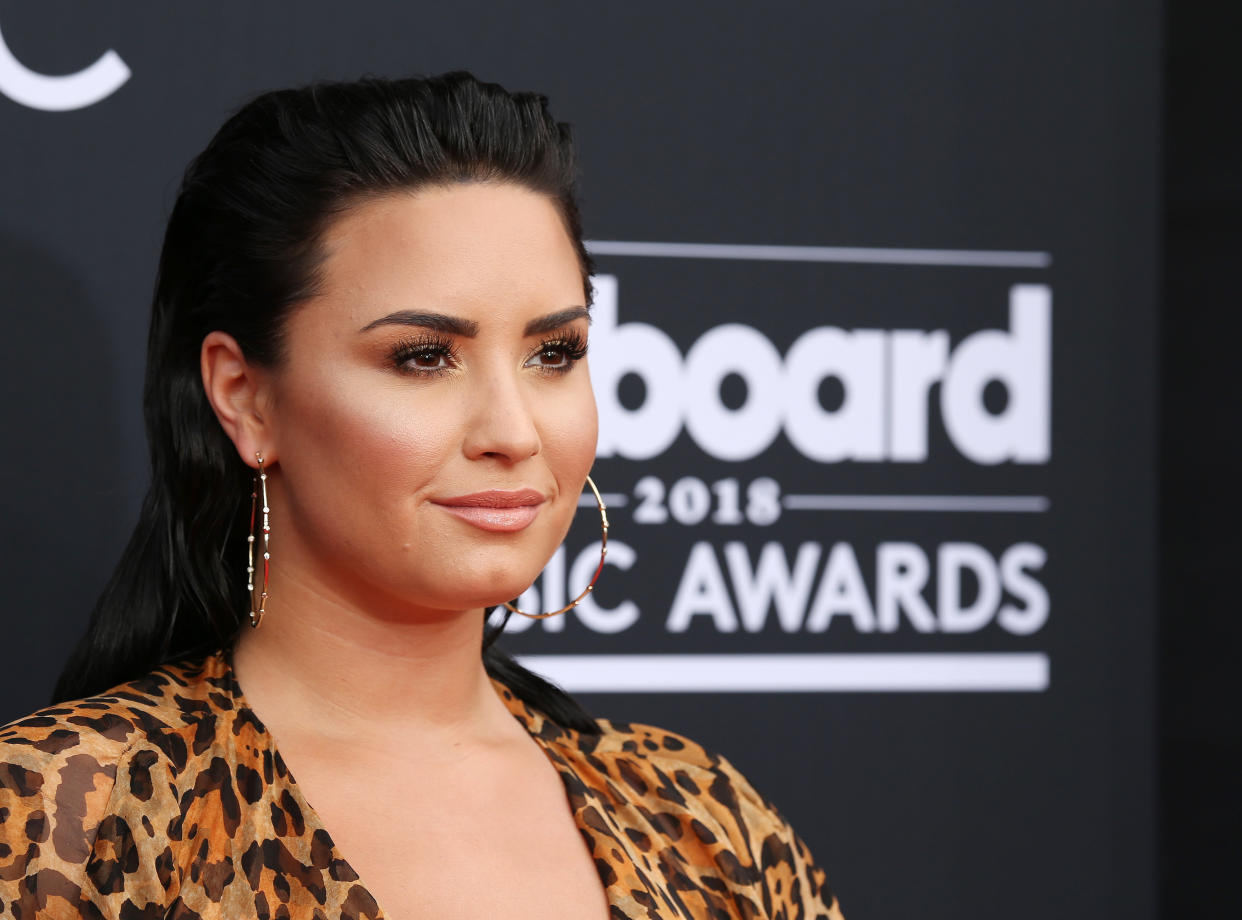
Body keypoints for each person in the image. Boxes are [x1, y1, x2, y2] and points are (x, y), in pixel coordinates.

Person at [0, 72, 844, 920]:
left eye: (553, 353)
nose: (512, 432)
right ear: (245, 396)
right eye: (423, 357)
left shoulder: (700, 821)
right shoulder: (69, 821)